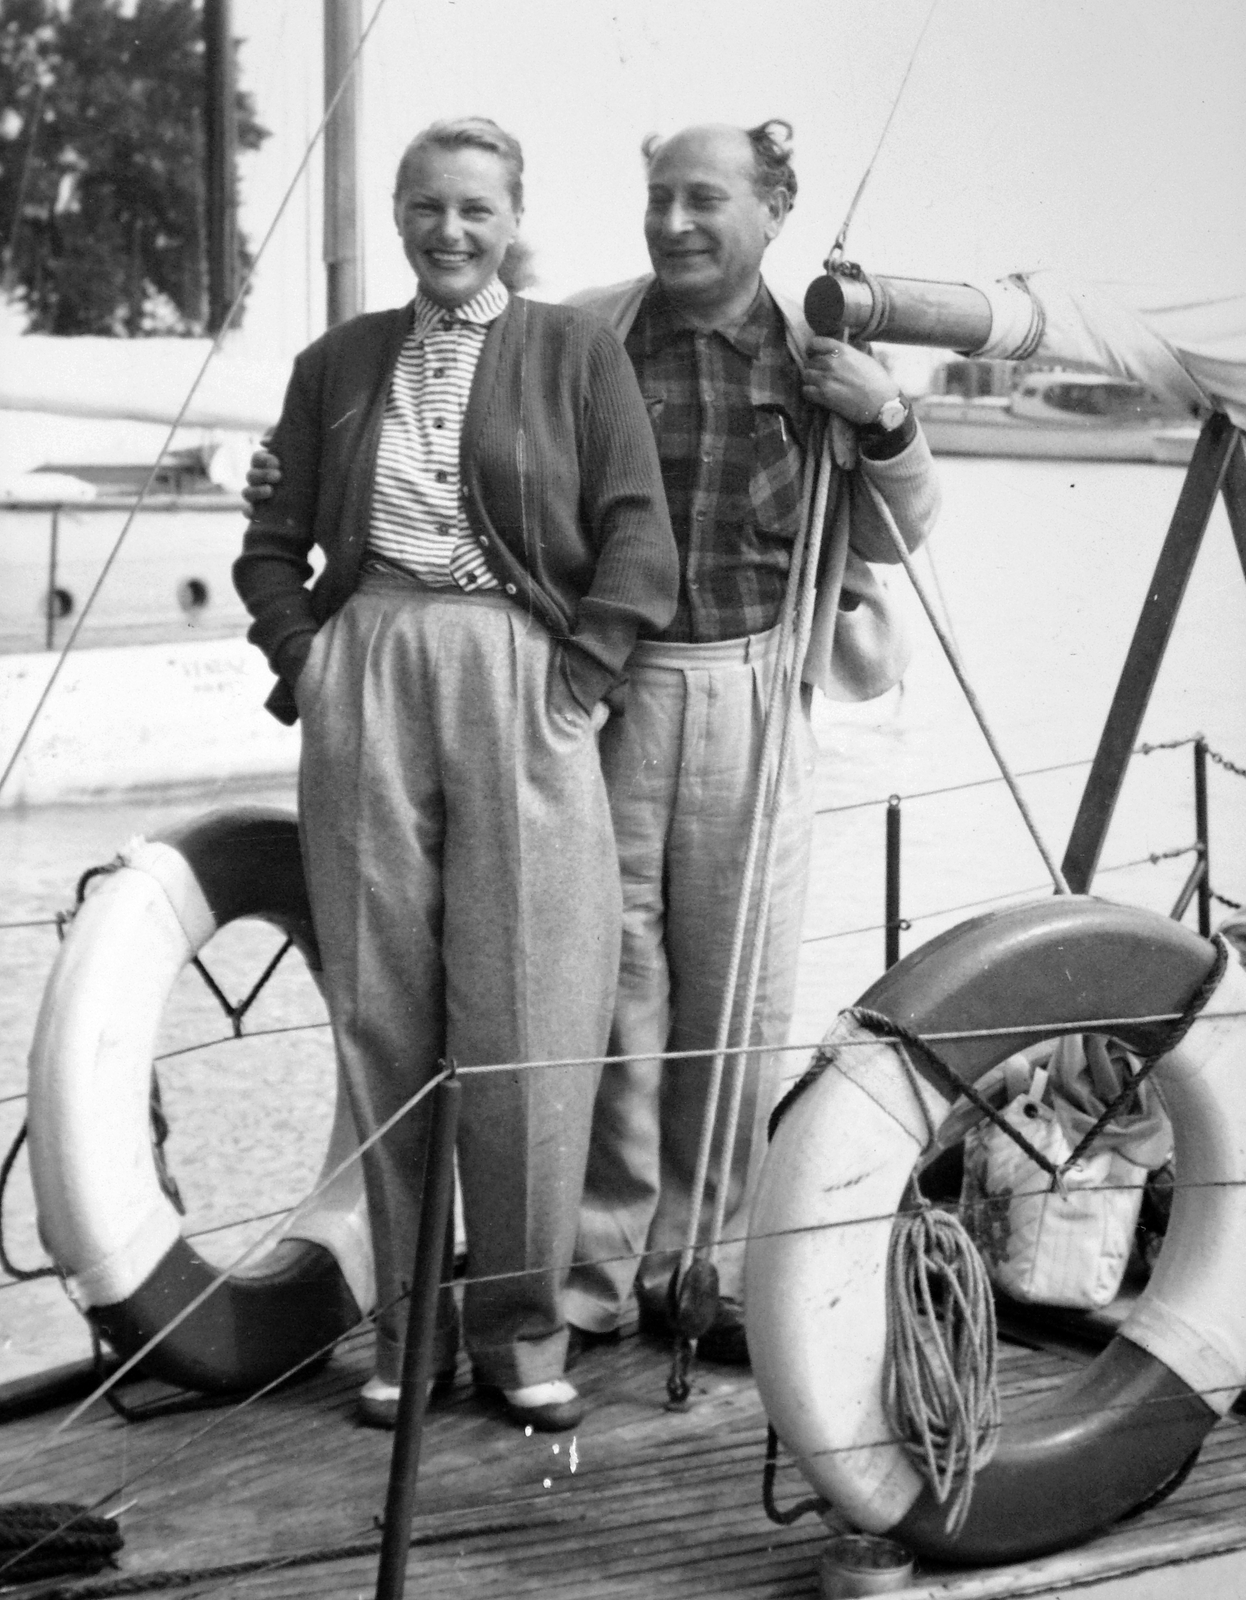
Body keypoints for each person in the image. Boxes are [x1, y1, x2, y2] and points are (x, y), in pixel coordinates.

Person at [244, 119, 939, 1368]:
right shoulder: (596, 331)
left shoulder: (818, 357)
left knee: (734, 985)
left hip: (745, 687)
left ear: (773, 210)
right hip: (611, 696)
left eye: (705, 199)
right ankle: (593, 1271)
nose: (675, 222)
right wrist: (318, 637)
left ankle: (703, 1262)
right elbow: (443, 467)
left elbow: (891, 537)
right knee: (600, 991)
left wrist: (883, 415)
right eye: (659, 197)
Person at [232, 116, 677, 1433]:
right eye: (425, 206)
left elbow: (635, 541)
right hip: (367, 669)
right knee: (381, 1011)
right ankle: (404, 1340)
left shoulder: (571, 352)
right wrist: (306, 657)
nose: (447, 231)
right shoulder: (339, 362)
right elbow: (268, 541)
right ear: (399, 213)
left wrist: (582, 674)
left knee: (530, 1021)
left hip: (518, 679)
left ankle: (522, 1333)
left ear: (512, 213)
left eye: (474, 208)